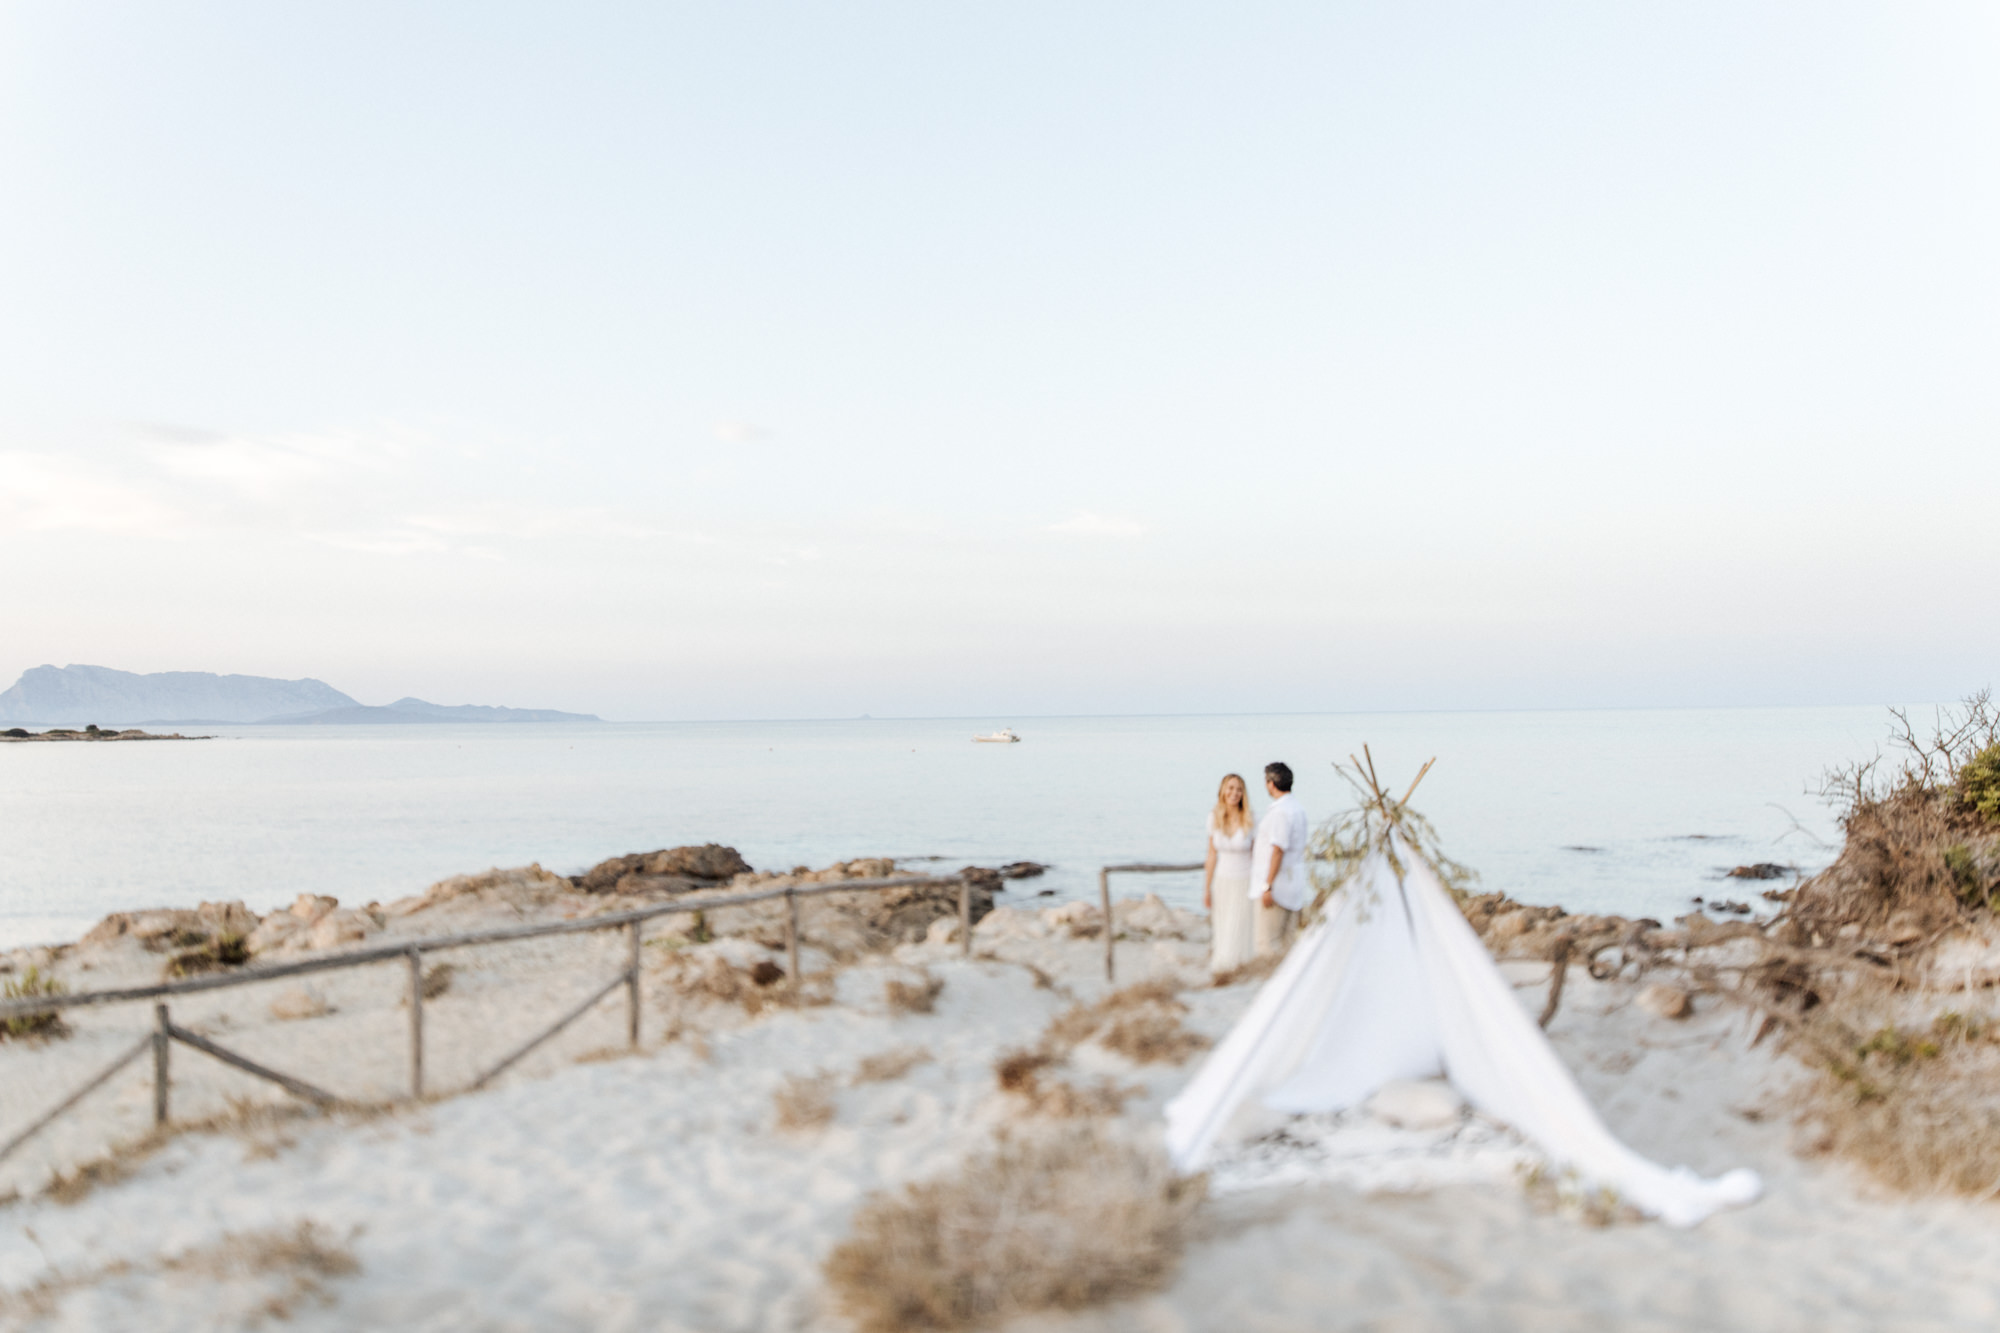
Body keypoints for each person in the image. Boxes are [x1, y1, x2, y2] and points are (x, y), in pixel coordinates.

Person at [1249, 761, 1309, 955]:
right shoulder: (1298, 809)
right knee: (1288, 943)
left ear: (1271, 784)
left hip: (1278, 886)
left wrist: (1267, 885)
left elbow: (1277, 850)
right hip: (1294, 883)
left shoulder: (1280, 812)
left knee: (1267, 943)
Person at [1202, 773, 1257, 974]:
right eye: (1231, 788)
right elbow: (1211, 855)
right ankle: (1222, 971)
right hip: (1222, 881)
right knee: (1223, 928)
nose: (1234, 793)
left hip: (1245, 881)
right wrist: (1206, 889)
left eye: (1239, 789)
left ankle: (1236, 970)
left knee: (1238, 928)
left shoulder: (1251, 819)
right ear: (1223, 791)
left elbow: (1256, 855)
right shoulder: (1213, 817)